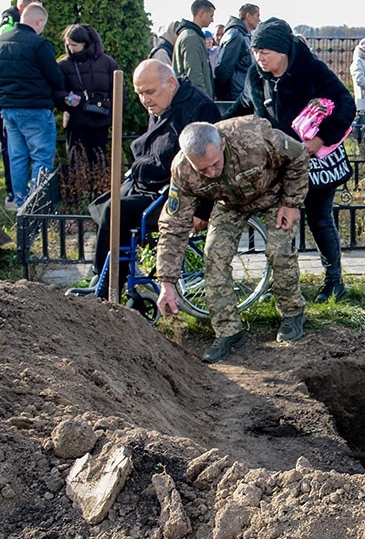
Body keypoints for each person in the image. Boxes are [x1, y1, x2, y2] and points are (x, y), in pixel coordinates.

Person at [155, 118, 311, 363]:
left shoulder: (254, 137)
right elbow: (173, 226)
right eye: (203, 170)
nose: (212, 173)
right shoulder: (182, 170)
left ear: (223, 144)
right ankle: (228, 332)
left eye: (215, 164)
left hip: (273, 195)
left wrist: (291, 203)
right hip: (229, 205)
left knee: (279, 250)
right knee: (214, 256)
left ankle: (293, 312)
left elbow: (299, 156)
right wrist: (166, 282)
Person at [226, 17, 356, 304]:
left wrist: (320, 140)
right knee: (279, 222)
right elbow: (244, 107)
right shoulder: (255, 76)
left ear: (283, 51)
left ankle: (334, 281)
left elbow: (346, 104)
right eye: (256, 51)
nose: (259, 58)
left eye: (265, 52)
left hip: (315, 159)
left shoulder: (312, 70)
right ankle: (283, 281)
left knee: (319, 217)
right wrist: (214, 128)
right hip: (278, 161)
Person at [82, 59, 220, 297]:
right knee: (103, 205)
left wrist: (202, 209)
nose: (145, 99)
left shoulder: (197, 108)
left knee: (116, 211)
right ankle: (107, 272)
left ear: (171, 83)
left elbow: (212, 164)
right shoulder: (162, 103)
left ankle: (106, 284)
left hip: (176, 193)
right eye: (139, 93)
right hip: (150, 182)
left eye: (149, 92)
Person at [0, 3, 65, 207]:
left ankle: (21, 205)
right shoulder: (39, 44)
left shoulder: (1, 41)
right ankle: (37, 206)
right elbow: (55, 78)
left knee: (17, 158)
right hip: (35, 107)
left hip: (9, 108)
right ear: (39, 21)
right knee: (42, 157)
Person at [0, 0, 43, 206]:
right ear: (23, 8)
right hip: (23, 101)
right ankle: (33, 202)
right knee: (36, 154)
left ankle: (19, 200)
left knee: (15, 153)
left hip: (8, 101)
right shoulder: (10, 28)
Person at [55, 24, 120, 166]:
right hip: (76, 121)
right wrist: (64, 99)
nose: (71, 49)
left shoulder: (107, 63)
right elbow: (56, 90)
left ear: (85, 43)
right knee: (77, 164)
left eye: (74, 45)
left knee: (98, 163)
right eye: (68, 45)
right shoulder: (64, 65)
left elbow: (117, 92)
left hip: (99, 120)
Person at [172, 0, 216, 98]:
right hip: (195, 101)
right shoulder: (191, 38)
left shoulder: (192, 36)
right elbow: (194, 75)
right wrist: (203, 101)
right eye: (211, 15)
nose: (212, 20)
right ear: (201, 13)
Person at [215, 3, 260, 101]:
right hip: (235, 94)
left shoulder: (245, 36)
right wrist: (220, 93)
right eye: (257, 15)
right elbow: (225, 67)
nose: (259, 20)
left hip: (243, 92)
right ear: (248, 16)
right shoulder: (236, 35)